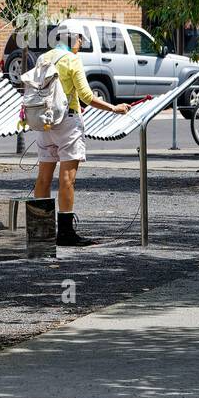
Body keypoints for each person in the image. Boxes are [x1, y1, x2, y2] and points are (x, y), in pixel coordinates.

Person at [33, 24, 130, 246]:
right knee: (67, 178)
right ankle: (65, 234)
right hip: (67, 122)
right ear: (74, 38)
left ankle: (40, 231)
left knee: (43, 177)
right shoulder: (72, 60)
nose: (81, 45)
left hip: (44, 123)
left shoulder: (43, 57)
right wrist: (114, 108)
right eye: (81, 41)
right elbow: (86, 96)